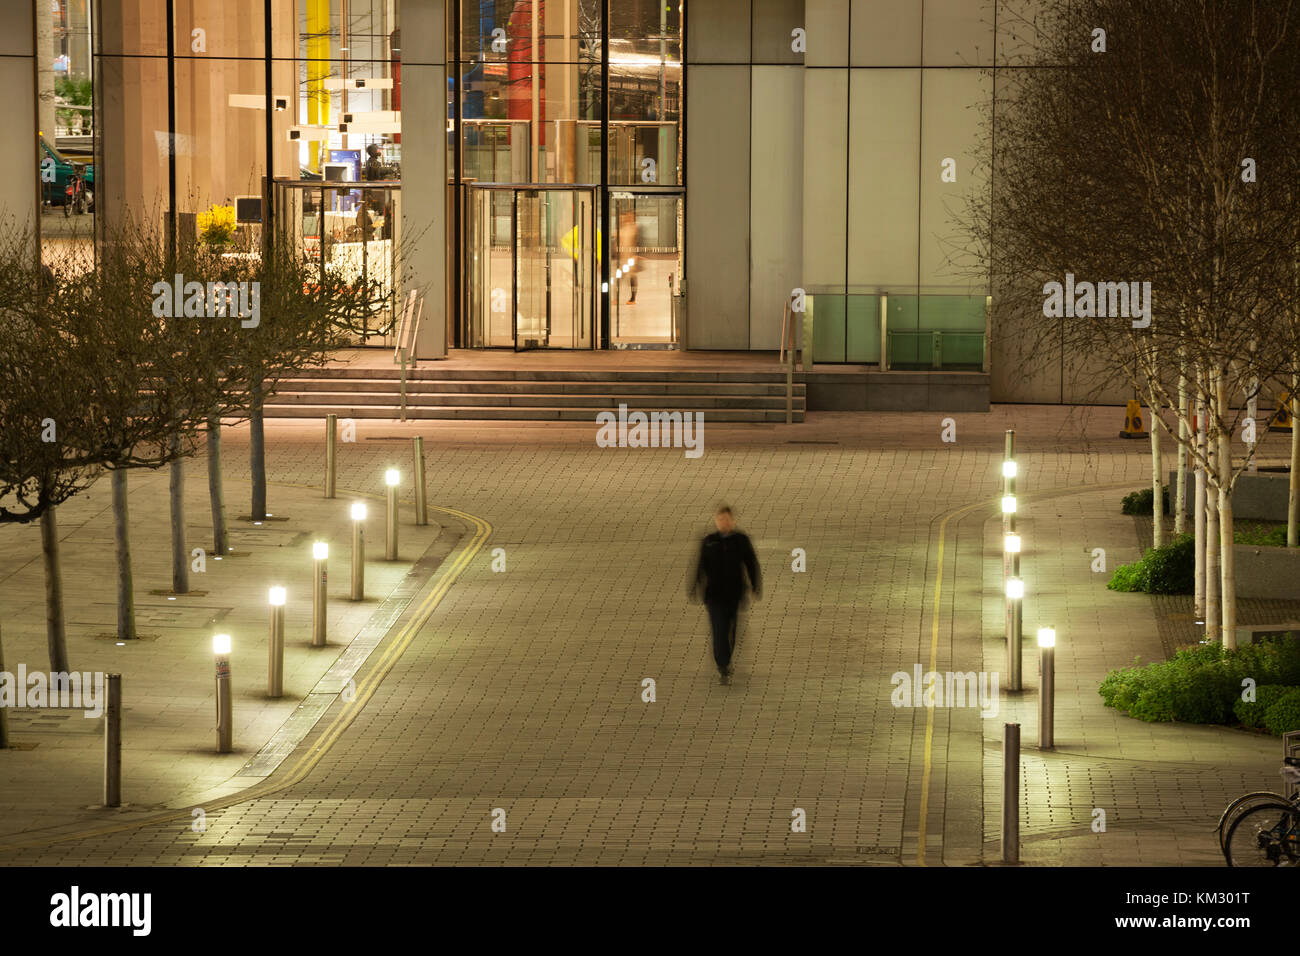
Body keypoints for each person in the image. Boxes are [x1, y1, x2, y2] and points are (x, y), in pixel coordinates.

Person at [688, 505, 761, 684]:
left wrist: (755, 585)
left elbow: (751, 563)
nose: (724, 523)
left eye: (727, 519)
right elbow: (700, 565)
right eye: (721, 520)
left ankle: (725, 659)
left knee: (731, 630)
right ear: (716, 521)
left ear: (733, 521)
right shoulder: (709, 541)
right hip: (714, 596)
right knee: (719, 630)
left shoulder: (741, 540)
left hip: (734, 594)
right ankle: (723, 665)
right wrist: (694, 585)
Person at [618, 209, 639, 304]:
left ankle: (633, 298)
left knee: (631, 277)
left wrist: (636, 255)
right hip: (623, 257)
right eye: (628, 216)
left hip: (631, 258)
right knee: (620, 276)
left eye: (630, 216)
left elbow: (638, 242)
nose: (628, 217)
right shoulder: (622, 228)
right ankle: (615, 297)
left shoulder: (634, 228)